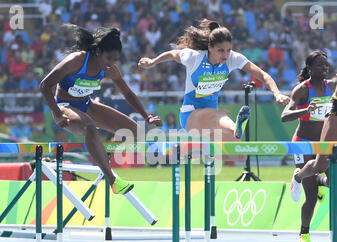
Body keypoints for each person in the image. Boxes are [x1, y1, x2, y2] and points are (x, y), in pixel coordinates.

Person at [138, 19, 289, 157]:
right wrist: (152, 62)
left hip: (211, 124)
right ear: (210, 47)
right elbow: (172, 54)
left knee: (238, 150)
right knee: (217, 115)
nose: (226, 54)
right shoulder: (194, 57)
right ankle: (235, 126)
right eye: (221, 50)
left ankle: (235, 132)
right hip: (190, 117)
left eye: (229, 50)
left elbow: (263, 75)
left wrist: (277, 94)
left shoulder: (233, 59)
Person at [40, 24, 162, 195]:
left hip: (87, 105)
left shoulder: (109, 69)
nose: (111, 64)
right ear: (98, 52)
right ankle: (112, 180)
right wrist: (57, 114)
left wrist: (147, 117)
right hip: (64, 106)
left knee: (134, 131)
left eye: (115, 60)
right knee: (89, 125)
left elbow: (127, 93)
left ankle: (100, 153)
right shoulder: (76, 61)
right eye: (109, 58)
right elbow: (45, 85)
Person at [281, 51, 335, 242]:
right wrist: (306, 110)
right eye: (320, 64)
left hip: (324, 143)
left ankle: (314, 177)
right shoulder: (302, 90)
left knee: (334, 184)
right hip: (303, 142)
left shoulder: (332, 87)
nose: (324, 67)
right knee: (311, 196)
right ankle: (304, 233)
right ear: (310, 68)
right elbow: (285, 115)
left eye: (326, 64)